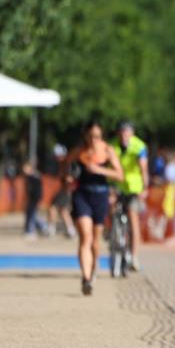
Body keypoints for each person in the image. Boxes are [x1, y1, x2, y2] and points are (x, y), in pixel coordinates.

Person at [65, 120, 124, 296]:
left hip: (100, 195)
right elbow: (66, 168)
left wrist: (99, 170)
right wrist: (69, 177)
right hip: (82, 194)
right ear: (85, 135)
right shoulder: (78, 151)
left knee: (95, 241)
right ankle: (86, 277)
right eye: (90, 136)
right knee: (85, 237)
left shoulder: (107, 150)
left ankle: (94, 266)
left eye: (97, 136)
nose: (93, 140)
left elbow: (120, 175)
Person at [112, 122, 149, 271]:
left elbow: (143, 169)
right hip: (116, 184)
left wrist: (145, 188)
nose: (123, 136)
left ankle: (134, 256)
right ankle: (112, 232)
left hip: (134, 186)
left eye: (126, 133)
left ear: (132, 134)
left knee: (133, 218)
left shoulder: (139, 146)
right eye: (121, 133)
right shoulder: (112, 146)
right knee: (111, 206)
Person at [47, 144, 77, 238]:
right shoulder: (62, 164)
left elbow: (71, 178)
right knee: (63, 211)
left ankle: (52, 229)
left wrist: (69, 179)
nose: (57, 157)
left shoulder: (68, 164)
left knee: (54, 208)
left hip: (66, 190)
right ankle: (70, 230)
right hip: (64, 190)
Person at [22, 160, 48, 239]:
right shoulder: (28, 177)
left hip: (35, 198)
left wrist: (38, 199)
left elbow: (38, 190)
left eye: (25, 168)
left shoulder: (35, 177)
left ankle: (32, 231)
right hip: (32, 198)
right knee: (30, 214)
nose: (24, 170)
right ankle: (42, 227)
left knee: (32, 214)